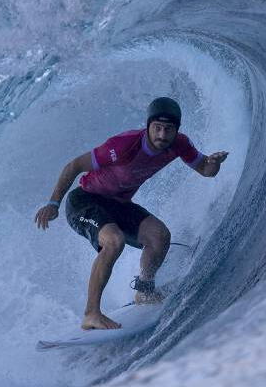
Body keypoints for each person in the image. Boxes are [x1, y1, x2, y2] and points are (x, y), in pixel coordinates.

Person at [33, 97, 229, 330]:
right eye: (157, 128)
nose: (162, 135)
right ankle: (91, 314)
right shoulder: (123, 146)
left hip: (118, 205)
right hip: (85, 201)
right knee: (114, 241)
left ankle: (144, 291)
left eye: (169, 129)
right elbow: (74, 165)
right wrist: (53, 203)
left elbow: (205, 170)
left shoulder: (179, 144)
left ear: (177, 130)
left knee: (159, 237)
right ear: (148, 126)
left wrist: (214, 163)